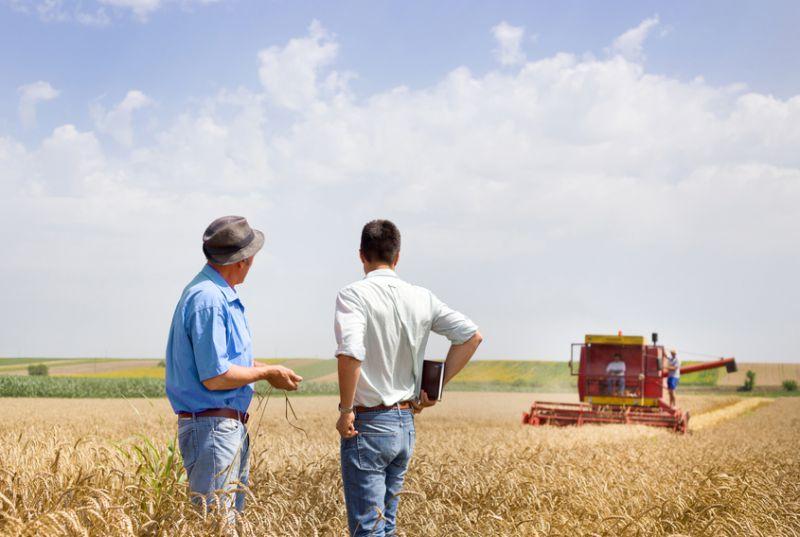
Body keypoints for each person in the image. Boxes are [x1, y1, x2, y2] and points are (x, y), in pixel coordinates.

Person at [334, 219, 483, 537]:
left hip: (369, 424)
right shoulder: (422, 297)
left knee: (368, 530)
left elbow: (349, 352)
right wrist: (435, 387)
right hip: (404, 424)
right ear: (397, 257)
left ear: (361, 255)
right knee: (386, 527)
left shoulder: (353, 295)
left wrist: (346, 409)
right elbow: (471, 337)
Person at [165, 216, 303, 519]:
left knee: (224, 520)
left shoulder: (211, 294)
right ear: (242, 260)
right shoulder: (210, 300)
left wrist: (264, 368)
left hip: (218, 428)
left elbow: (222, 362)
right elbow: (216, 376)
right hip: (213, 429)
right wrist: (267, 373)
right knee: (216, 522)